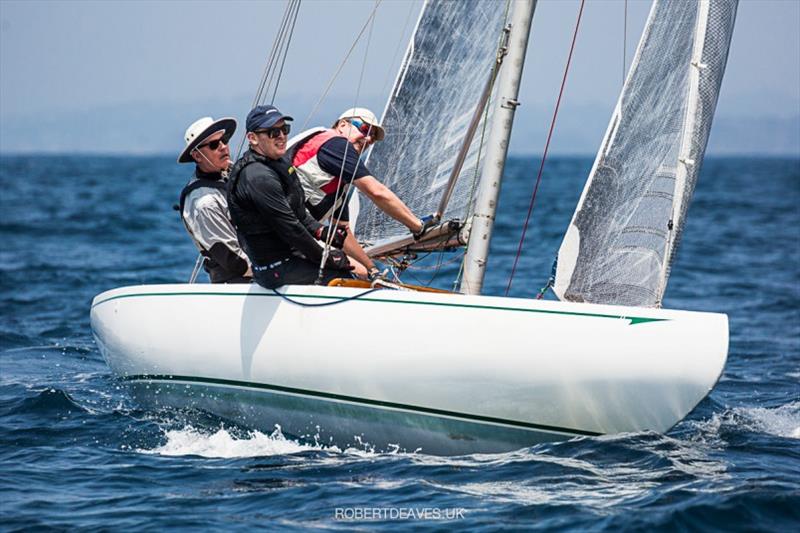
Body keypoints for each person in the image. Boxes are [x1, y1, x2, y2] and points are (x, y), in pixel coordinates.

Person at [291, 107, 438, 280]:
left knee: (361, 272)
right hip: (282, 232)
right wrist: (418, 226)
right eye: (365, 129)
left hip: (287, 233)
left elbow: (342, 231)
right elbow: (376, 191)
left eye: (373, 137)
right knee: (350, 274)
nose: (369, 139)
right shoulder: (336, 145)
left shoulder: (339, 179)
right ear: (343, 125)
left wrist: (371, 268)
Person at [227, 105, 353, 289]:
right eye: (272, 132)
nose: (281, 136)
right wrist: (325, 259)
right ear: (252, 138)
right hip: (274, 270)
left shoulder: (278, 163)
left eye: (284, 129)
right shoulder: (257, 177)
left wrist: (321, 232)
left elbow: (299, 214)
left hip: (291, 257)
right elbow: (291, 229)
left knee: (349, 270)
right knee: (346, 279)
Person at [177, 116, 252, 283]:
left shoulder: (232, 172)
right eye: (214, 145)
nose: (223, 147)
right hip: (241, 283)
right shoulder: (204, 202)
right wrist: (275, 270)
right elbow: (235, 262)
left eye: (224, 140)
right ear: (197, 156)